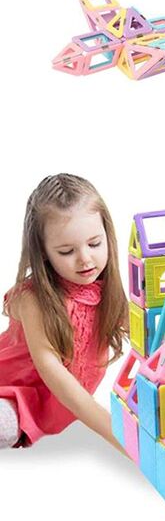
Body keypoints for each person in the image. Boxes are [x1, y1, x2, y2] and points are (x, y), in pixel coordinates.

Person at [0, 174, 128, 449]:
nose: (85, 259)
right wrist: (121, 436)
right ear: (43, 252)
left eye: (94, 244)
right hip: (10, 393)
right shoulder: (33, 300)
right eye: (67, 251)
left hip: (56, 412)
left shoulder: (106, 293)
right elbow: (55, 376)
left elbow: (153, 338)